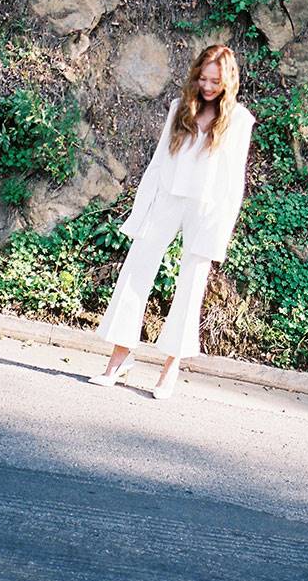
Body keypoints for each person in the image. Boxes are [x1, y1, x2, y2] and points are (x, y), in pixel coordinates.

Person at [91, 44, 256, 399]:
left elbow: (233, 183)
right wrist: (141, 211)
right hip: (167, 197)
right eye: (203, 78)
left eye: (215, 81)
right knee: (136, 269)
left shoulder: (239, 120)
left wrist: (220, 231)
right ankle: (119, 357)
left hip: (206, 207)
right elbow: (158, 163)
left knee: (191, 285)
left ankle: (170, 368)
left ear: (228, 82)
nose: (207, 86)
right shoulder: (179, 108)